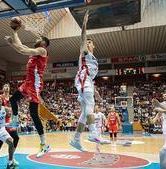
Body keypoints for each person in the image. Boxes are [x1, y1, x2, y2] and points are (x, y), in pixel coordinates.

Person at [4, 18, 51, 158]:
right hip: (27, 83)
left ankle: (44, 144)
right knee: (13, 100)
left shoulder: (42, 51)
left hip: (35, 85)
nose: (37, 39)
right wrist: (13, 35)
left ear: (44, 43)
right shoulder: (33, 54)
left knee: (33, 114)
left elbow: (22, 49)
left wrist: (13, 38)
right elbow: (20, 47)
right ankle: (16, 119)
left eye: (39, 38)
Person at [69, 10, 109, 152]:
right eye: (87, 42)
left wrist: (95, 90)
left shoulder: (92, 57)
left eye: (89, 42)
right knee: (90, 106)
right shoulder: (84, 52)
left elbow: (90, 76)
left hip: (86, 81)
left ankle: (75, 139)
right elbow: (82, 38)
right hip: (83, 80)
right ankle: (93, 134)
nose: (87, 43)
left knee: (84, 113)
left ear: (93, 46)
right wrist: (84, 23)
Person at [0, 84, 19, 167]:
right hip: (2, 121)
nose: (6, 87)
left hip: (10, 121)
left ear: (10, 89)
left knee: (16, 138)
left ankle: (11, 157)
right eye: (5, 86)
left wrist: (15, 119)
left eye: (8, 86)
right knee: (0, 141)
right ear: (2, 88)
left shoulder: (12, 97)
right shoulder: (0, 97)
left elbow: (15, 109)